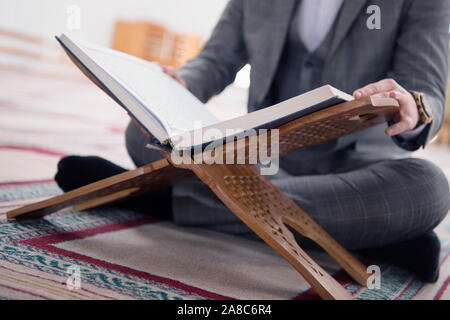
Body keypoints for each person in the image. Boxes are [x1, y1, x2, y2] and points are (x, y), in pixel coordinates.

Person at [55, 0, 450, 282]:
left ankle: (163, 200)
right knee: (145, 134)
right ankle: (363, 231)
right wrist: (174, 87)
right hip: (263, 153)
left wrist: (410, 104)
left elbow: (427, 88)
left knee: (429, 189)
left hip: (357, 165)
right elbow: (216, 60)